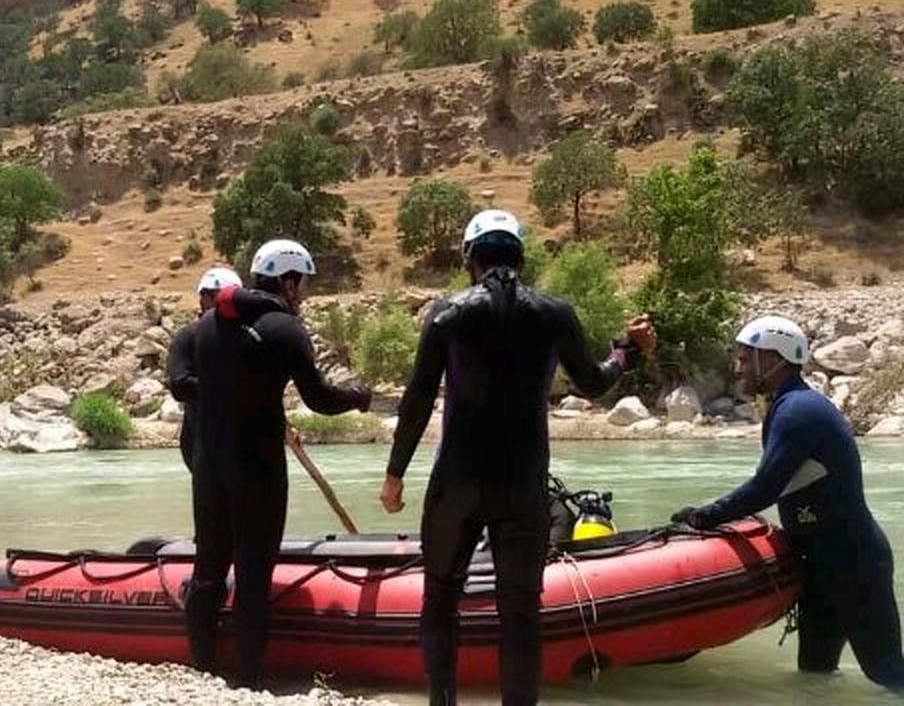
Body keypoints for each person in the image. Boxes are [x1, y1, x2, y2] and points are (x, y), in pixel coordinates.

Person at [378, 209, 656, 706]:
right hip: (523, 484)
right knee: (521, 614)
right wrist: (625, 352)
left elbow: (417, 400)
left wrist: (395, 474)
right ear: (521, 257)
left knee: (441, 599)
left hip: (458, 482)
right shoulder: (554, 315)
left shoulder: (449, 313)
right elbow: (593, 382)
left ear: (470, 258)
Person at [671, 315, 904, 693]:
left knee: (888, 674)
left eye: (747, 358)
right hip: (821, 568)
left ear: (773, 358)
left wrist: (703, 517)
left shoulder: (799, 412)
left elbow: (765, 489)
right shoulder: (786, 407)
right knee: (815, 677)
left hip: (854, 565)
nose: (739, 367)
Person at [185, 239, 372, 689]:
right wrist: (358, 397)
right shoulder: (284, 329)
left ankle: (202, 669)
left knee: (208, 568)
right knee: (253, 572)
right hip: (258, 467)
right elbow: (320, 399)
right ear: (287, 281)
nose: (302, 293)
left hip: (208, 465)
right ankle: (248, 679)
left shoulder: (207, 325)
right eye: (302, 284)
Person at [168, 267, 243, 471]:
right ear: (205, 298)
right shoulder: (188, 337)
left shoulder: (245, 336)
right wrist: (226, 387)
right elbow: (179, 385)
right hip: (202, 438)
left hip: (241, 437)